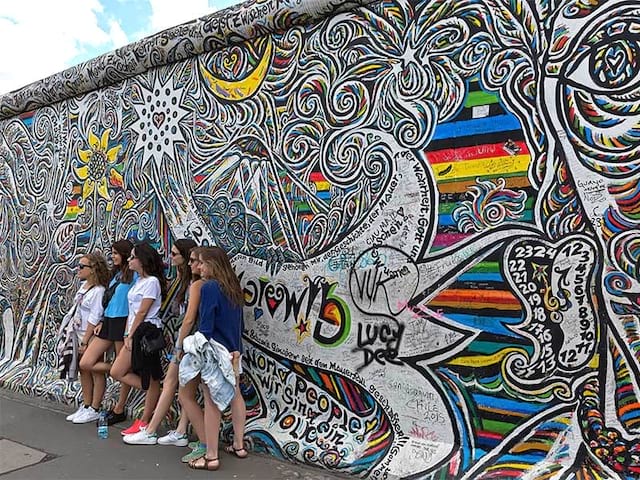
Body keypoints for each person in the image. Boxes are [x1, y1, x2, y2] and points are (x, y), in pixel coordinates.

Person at [123, 239, 201, 446]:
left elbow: (189, 318)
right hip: (188, 340)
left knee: (172, 383)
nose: (171, 258)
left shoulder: (194, 283)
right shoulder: (183, 280)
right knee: (185, 387)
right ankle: (181, 430)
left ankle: (150, 430)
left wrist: (179, 343)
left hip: (189, 340)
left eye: (175, 254)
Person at [179, 246, 246, 471]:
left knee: (211, 402)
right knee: (235, 394)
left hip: (214, 350)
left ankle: (211, 456)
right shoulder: (233, 287)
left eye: (203, 263)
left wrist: (191, 346)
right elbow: (239, 324)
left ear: (212, 265)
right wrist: (236, 349)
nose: (199, 267)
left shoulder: (209, 288)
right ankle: (239, 444)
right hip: (232, 350)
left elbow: (206, 325)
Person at [110, 242, 167, 436]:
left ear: (142, 260)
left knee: (142, 374)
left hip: (145, 333)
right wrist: (127, 332)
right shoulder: (139, 281)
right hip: (134, 331)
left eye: (133, 257)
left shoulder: (151, 282)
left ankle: (144, 420)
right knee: (118, 371)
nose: (129, 260)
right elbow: (133, 311)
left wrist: (131, 335)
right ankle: (152, 392)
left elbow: (143, 311)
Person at [79, 239, 135, 425]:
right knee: (86, 362)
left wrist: (129, 329)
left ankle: (120, 407)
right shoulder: (115, 274)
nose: (113, 256)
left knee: (120, 365)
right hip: (108, 321)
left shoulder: (132, 275)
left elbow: (134, 304)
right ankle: (120, 370)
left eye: (116, 253)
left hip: (122, 321)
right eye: (112, 253)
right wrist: (102, 320)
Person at [63, 252, 110, 424]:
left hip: (89, 334)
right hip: (78, 332)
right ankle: (86, 404)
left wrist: (86, 339)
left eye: (82, 266)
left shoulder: (98, 291)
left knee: (94, 370)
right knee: (84, 370)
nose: (78, 269)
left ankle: (95, 407)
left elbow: (95, 316)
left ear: (93, 269)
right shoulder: (84, 287)